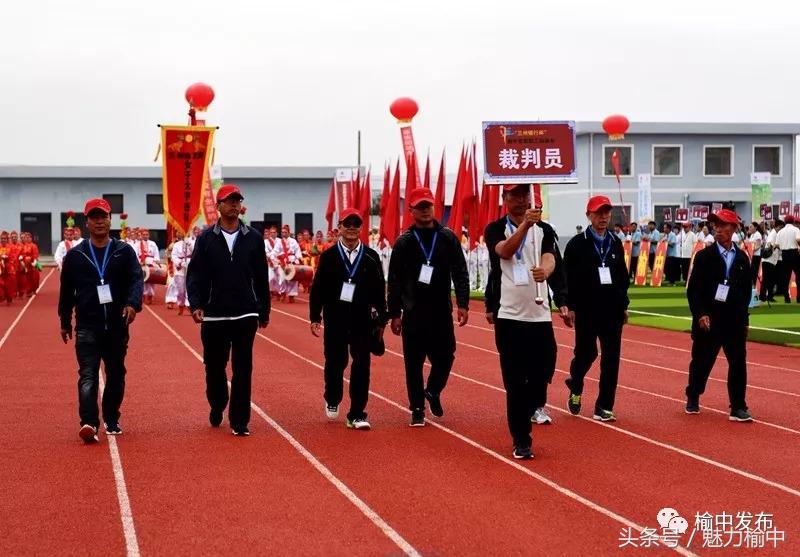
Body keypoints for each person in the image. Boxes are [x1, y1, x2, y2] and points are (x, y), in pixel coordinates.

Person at [484, 184, 570, 460]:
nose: (520, 200)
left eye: (524, 194)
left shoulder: (544, 230)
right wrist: (524, 226)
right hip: (509, 316)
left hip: (539, 314)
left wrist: (544, 271)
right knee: (514, 382)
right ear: (504, 199)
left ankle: (533, 404)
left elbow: (550, 258)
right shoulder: (495, 229)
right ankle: (521, 439)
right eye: (514, 195)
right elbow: (506, 251)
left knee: (545, 368)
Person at [186, 184, 270, 436]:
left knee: (243, 368)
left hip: (245, 313)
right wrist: (197, 303)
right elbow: (195, 275)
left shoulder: (253, 237)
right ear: (219, 206)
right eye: (229, 201)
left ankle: (240, 420)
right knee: (214, 366)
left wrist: (263, 309)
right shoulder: (206, 238)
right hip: (214, 314)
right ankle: (217, 402)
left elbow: (261, 276)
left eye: (237, 201)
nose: (234, 204)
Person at [58, 198, 143, 443]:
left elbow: (136, 280)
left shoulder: (123, 251)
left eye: (102, 216)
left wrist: (132, 304)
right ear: (87, 222)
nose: (99, 221)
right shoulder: (75, 256)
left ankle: (111, 417)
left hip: (117, 325)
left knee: (116, 374)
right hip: (87, 325)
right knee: (88, 374)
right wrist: (65, 321)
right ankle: (88, 422)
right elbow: (66, 292)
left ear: (109, 220)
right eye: (93, 217)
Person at [387, 187, 470, 426]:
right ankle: (417, 408)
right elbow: (394, 280)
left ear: (434, 208)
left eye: (428, 206)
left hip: (441, 311)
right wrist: (394, 313)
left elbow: (460, 272)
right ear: (411, 210)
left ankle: (432, 390)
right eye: (420, 207)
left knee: (446, 357)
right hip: (413, 312)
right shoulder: (404, 242)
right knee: (413, 363)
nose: (425, 210)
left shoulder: (447, 237)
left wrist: (463, 303)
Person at [309, 208, 387, 430]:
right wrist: (315, 316)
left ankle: (357, 413)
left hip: (362, 319)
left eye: (356, 224)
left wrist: (382, 317)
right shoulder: (329, 257)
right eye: (347, 224)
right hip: (335, 318)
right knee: (336, 362)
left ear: (361, 228)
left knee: (362, 364)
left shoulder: (371, 257)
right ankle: (332, 396)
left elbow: (379, 289)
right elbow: (318, 289)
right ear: (339, 228)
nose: (352, 228)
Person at [563, 195, 630, 422]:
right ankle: (576, 382)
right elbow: (568, 278)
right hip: (586, 309)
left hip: (611, 310)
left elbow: (622, 276)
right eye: (598, 213)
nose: (603, 217)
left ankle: (604, 406)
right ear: (589, 215)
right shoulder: (576, 244)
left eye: (606, 213)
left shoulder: (615, 242)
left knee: (611, 358)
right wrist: (570, 306)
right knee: (586, 353)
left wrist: (623, 305)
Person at [685, 209, 754, 421]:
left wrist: (744, 320)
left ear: (734, 228)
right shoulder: (704, 257)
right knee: (702, 361)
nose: (718, 229)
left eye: (724, 225)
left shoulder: (742, 258)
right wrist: (701, 313)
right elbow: (693, 290)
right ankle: (693, 394)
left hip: (733, 320)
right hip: (709, 319)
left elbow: (745, 293)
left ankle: (738, 406)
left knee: (738, 362)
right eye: (716, 225)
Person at [271, 224, 302, 303]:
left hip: (292, 261)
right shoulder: (279, 242)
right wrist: (275, 259)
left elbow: (298, 252)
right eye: (282, 232)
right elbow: (274, 252)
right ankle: (283, 294)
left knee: (293, 279)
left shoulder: (293, 241)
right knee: (282, 278)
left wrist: (298, 259)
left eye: (285, 232)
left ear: (289, 232)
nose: (283, 234)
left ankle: (292, 296)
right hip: (282, 262)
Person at [775, 215, 800, 303]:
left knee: (785, 277)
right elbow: (798, 239)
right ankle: (799, 297)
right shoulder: (796, 229)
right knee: (798, 275)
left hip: (785, 254)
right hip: (794, 253)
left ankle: (786, 297)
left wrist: (783, 245)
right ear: (793, 221)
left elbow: (777, 245)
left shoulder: (780, 232)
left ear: (785, 222)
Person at [170, 229, 192, 315]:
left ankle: (189, 305)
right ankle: (181, 305)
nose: (180, 234)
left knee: (190, 288)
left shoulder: (191, 242)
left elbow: (195, 251)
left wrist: (189, 244)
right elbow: (173, 256)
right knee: (181, 290)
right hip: (180, 269)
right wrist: (180, 263)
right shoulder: (176, 244)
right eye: (179, 232)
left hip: (190, 267)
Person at [136, 229, 160, 305]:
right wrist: (138, 262)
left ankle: (150, 295)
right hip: (141, 263)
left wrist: (156, 261)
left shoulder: (153, 243)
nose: (145, 236)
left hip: (151, 263)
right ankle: (143, 295)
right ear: (141, 235)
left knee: (152, 281)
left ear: (149, 235)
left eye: (147, 234)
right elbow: (135, 254)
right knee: (142, 280)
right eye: (144, 234)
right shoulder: (137, 244)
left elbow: (156, 253)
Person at [760, 219, 781, 302]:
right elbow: (769, 244)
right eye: (781, 228)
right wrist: (776, 246)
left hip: (769, 260)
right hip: (769, 260)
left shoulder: (774, 233)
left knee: (768, 279)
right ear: (778, 227)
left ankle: (765, 296)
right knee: (768, 279)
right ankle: (766, 296)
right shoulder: (773, 234)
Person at [746, 222, 763, 288]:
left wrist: (751, 249)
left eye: (751, 227)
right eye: (749, 227)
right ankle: (752, 286)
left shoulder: (758, 234)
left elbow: (758, 246)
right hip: (751, 256)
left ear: (755, 227)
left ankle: (755, 286)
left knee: (754, 272)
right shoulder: (752, 235)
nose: (749, 228)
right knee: (751, 272)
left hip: (756, 256)